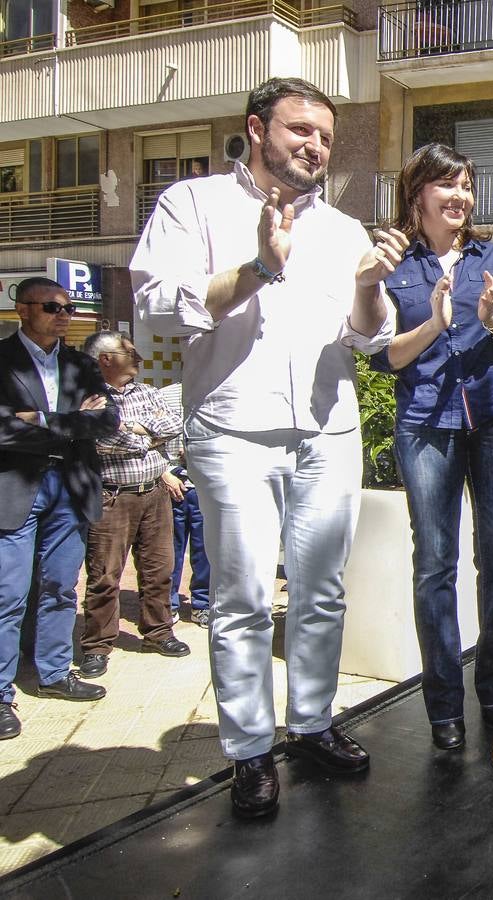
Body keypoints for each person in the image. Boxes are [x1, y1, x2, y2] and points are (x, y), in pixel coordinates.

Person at [132, 77, 400, 818]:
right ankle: (250, 750)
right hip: (232, 432)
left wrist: (372, 286)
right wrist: (259, 267)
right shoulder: (192, 205)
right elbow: (156, 305)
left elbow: (369, 335)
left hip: (328, 430)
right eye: (300, 131)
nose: (315, 146)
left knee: (321, 593)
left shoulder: (344, 231)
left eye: (324, 136)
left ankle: (312, 722)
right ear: (257, 128)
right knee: (243, 598)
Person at [370, 143, 493, 753]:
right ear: (418, 196)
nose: (460, 195)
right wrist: (436, 323)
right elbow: (386, 356)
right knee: (434, 567)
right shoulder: (395, 266)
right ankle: (443, 704)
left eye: (466, 184)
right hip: (426, 423)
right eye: (447, 184)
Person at [0, 278, 117, 740]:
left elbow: (106, 421)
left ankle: (52, 674)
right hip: (17, 485)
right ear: (22, 310)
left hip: (71, 486)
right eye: (51, 306)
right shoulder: (1, 360)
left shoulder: (82, 364)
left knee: (59, 588)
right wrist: (74, 423)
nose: (62, 315)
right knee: (8, 595)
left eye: (67, 308)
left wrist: (42, 421)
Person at [78, 331, 190, 679]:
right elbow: (104, 439)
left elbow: (173, 425)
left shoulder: (147, 392)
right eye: (128, 351)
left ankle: (157, 633)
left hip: (154, 493)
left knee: (159, 569)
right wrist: (144, 435)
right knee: (105, 576)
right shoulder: (89, 397)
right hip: (112, 496)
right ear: (105, 359)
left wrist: (134, 430)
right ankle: (97, 646)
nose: (137, 355)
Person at [158, 379, 211, 629]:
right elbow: (151, 441)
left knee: (205, 552)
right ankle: (168, 605)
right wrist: (165, 472)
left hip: (205, 487)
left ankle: (202, 604)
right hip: (172, 487)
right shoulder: (163, 396)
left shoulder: (215, 393)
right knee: (170, 551)